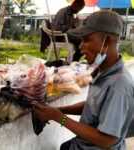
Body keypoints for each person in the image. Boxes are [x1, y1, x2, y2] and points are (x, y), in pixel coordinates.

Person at [33, 10, 134, 150]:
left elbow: (107, 140)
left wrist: (59, 118)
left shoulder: (119, 85)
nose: (81, 46)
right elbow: (94, 106)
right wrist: (57, 110)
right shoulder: (104, 72)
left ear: (108, 41)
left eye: (86, 40)